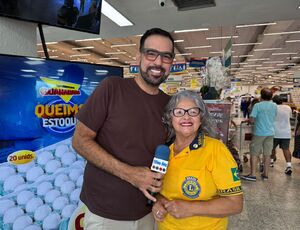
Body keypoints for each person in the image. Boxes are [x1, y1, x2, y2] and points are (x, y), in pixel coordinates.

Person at [72, 28, 175, 230]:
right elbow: (80, 141)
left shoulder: (170, 105)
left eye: (166, 56)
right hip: (105, 214)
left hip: (149, 213)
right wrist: (130, 174)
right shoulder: (112, 88)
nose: (158, 62)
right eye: (151, 53)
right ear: (139, 57)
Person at [152, 90, 243, 230]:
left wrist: (191, 208)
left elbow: (235, 204)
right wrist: (158, 202)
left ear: (201, 118)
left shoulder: (216, 150)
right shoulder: (164, 152)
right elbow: (157, 191)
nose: (186, 117)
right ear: (170, 118)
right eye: (179, 112)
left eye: (193, 112)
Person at [241, 88, 277, 181]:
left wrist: (248, 120)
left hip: (259, 132)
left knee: (254, 153)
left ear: (261, 96)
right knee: (267, 154)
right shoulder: (274, 105)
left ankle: (253, 174)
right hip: (270, 132)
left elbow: (252, 119)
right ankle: (265, 175)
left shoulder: (258, 105)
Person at [270, 95, 293, 174]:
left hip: (275, 131)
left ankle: (271, 162)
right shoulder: (288, 107)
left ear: (273, 101)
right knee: (286, 149)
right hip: (286, 132)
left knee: (272, 148)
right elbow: (289, 117)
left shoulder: (273, 108)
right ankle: (289, 166)